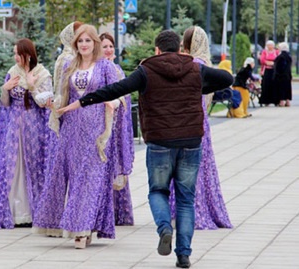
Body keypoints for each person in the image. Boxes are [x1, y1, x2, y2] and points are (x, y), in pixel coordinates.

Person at [57, 30, 234, 268]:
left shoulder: (146, 71)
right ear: (180, 49)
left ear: (157, 50)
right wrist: (196, 87)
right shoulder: (195, 69)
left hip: (160, 142)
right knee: (185, 200)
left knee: (158, 191)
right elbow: (226, 79)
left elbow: (115, 90)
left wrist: (81, 102)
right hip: (191, 141)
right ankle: (183, 255)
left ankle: (164, 230)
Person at [32, 24, 133, 249]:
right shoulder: (69, 65)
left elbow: (120, 96)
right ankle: (81, 227)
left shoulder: (106, 67)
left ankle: (82, 230)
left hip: (96, 132)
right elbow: (63, 96)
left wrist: (113, 103)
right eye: (80, 41)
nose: (84, 45)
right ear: (75, 45)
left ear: (94, 43)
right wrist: (51, 103)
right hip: (71, 130)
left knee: (90, 180)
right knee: (75, 179)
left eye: (88, 41)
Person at [0, 38, 53, 229]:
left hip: (33, 126)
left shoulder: (42, 74)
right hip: (14, 126)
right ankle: (11, 212)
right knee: (12, 165)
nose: (15, 57)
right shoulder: (12, 73)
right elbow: (5, 104)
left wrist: (31, 85)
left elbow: (45, 103)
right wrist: (5, 89)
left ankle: (32, 212)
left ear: (27, 54)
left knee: (32, 165)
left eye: (17, 53)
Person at [174, 26, 233, 230]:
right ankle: (204, 205)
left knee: (188, 166)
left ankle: (193, 208)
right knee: (203, 164)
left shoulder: (192, 64)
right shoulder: (205, 63)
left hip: (188, 121)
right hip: (201, 121)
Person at [100, 32, 135, 226]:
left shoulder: (117, 69)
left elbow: (125, 95)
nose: (108, 50)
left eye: (111, 46)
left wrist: (118, 101)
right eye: (105, 46)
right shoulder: (96, 69)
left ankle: (119, 212)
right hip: (101, 126)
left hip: (116, 124)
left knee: (117, 165)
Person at [259, 40, 280, 106]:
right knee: (266, 85)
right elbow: (262, 60)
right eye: (268, 45)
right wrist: (267, 62)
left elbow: (279, 59)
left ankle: (276, 101)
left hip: (274, 70)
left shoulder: (276, 52)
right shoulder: (264, 52)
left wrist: (273, 63)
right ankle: (266, 101)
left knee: (275, 85)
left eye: (271, 45)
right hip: (266, 70)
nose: (270, 46)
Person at [274, 42, 292, 107]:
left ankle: (282, 101)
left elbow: (279, 67)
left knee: (281, 88)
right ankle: (287, 101)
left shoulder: (280, 57)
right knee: (287, 87)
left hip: (281, 75)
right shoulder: (289, 56)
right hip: (288, 75)